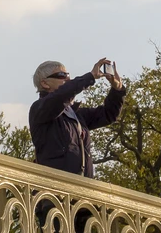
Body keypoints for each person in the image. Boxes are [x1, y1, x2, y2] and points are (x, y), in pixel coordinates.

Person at [29, 58, 126, 231]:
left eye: (68, 75)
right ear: (44, 83)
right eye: (62, 75)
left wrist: (117, 89)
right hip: (56, 198)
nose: (67, 79)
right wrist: (89, 77)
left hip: (83, 197)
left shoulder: (76, 115)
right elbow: (60, 97)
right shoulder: (40, 108)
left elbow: (108, 114)